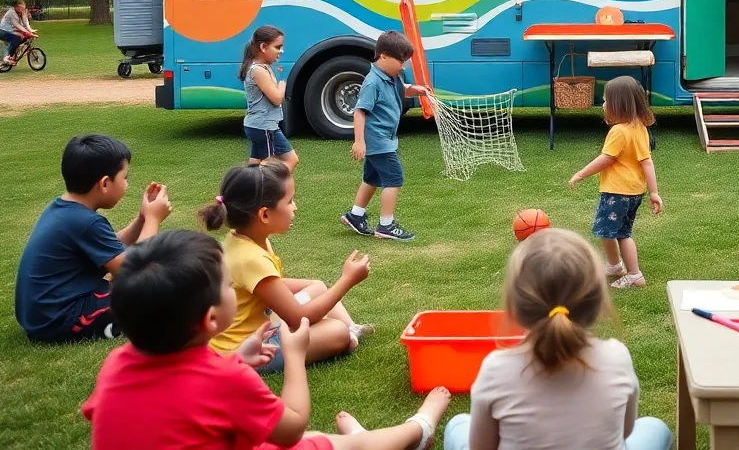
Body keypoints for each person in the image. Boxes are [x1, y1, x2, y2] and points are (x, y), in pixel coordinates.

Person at [83, 229, 452, 450]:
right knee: (337, 443)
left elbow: (171, 400)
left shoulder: (116, 364)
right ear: (210, 319)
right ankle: (419, 428)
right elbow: (290, 429)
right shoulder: (224, 380)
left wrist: (236, 360)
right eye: (227, 286)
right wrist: (294, 353)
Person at [442, 228, 672, 450]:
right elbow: (624, 432)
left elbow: (481, 446)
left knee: (457, 425)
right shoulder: (617, 357)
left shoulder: (496, 369)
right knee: (655, 427)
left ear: (515, 306)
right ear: (597, 302)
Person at [201, 161, 373, 373]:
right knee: (336, 332)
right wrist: (347, 281)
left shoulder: (243, 238)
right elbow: (297, 317)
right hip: (249, 347)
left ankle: (352, 329)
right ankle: (346, 334)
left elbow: (267, 287)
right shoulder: (250, 258)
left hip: (261, 323)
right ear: (264, 215)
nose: (295, 207)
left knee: (317, 286)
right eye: (289, 201)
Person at [15, 134, 171, 343]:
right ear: (105, 183)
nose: (126, 184)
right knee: (155, 295)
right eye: (125, 178)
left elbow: (111, 250)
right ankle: (115, 325)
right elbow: (135, 270)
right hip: (60, 320)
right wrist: (153, 220)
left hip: (43, 315)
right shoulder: (85, 222)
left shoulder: (63, 209)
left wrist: (141, 219)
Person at [568, 76, 663, 289]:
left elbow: (606, 159)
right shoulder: (639, 127)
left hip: (616, 192)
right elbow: (647, 162)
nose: (603, 105)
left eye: (605, 100)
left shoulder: (618, 131)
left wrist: (581, 174)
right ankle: (615, 266)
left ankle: (633, 274)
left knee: (611, 232)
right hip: (634, 192)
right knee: (619, 232)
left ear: (618, 104)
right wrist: (654, 193)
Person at [340, 31, 430, 242]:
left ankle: (356, 214)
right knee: (394, 178)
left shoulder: (392, 77)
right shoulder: (372, 82)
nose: (403, 66)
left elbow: (400, 90)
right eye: (400, 61)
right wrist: (359, 141)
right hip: (378, 140)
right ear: (383, 56)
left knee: (372, 178)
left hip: (383, 139)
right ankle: (386, 225)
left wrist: (414, 90)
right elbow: (360, 111)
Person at [241, 24, 298, 172]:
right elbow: (277, 99)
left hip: (261, 126)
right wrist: (283, 84)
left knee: (254, 165)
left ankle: (235, 192)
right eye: (278, 47)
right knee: (286, 162)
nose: (281, 51)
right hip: (263, 127)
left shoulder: (263, 67)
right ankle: (274, 193)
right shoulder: (258, 70)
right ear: (263, 47)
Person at [1, 0, 37, 66]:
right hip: (3, 31)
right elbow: (17, 25)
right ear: (16, 7)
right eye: (21, 8)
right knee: (16, 38)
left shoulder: (22, 12)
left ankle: (14, 54)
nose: (23, 9)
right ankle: (7, 57)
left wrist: (30, 30)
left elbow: (25, 22)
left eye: (24, 8)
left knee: (25, 38)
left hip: (11, 31)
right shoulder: (11, 13)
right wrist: (28, 32)